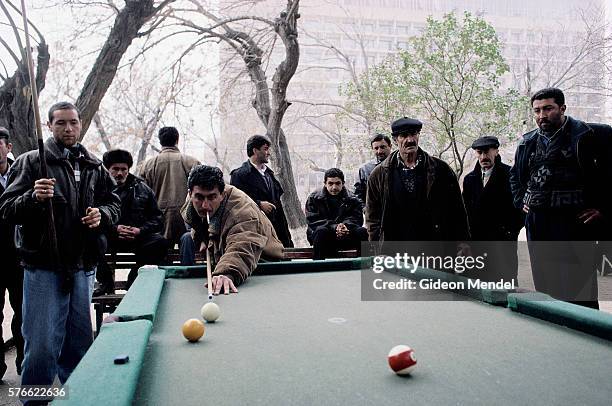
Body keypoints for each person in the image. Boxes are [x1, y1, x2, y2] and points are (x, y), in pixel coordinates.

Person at [0, 102, 120, 397]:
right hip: (42, 268)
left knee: (78, 347)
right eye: (61, 123)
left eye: (74, 123)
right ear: (50, 127)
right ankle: (35, 402)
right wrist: (33, 197)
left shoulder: (93, 165)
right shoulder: (31, 163)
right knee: (40, 348)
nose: (69, 129)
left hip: (82, 267)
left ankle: (77, 400)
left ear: (80, 124)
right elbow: (7, 209)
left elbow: (114, 203)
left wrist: (101, 215)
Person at [510, 87, 612, 308]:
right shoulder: (527, 142)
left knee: (580, 292)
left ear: (562, 108)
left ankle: (586, 337)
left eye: (548, 108)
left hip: (573, 223)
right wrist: (522, 201)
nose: (541, 115)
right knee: (547, 290)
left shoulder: (591, 135)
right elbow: (515, 176)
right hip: (538, 224)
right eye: (536, 110)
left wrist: (603, 208)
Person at [182, 165, 283, 294]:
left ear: (222, 195)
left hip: (262, 265)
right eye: (200, 197)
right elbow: (200, 222)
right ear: (190, 194)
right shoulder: (193, 201)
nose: (205, 205)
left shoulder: (243, 211)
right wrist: (202, 238)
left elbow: (242, 244)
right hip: (228, 258)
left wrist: (226, 272)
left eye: (212, 197)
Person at [366, 117, 469, 242]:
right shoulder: (379, 174)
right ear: (395, 139)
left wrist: (463, 243)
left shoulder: (440, 169)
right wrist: (376, 249)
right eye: (404, 135)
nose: (410, 140)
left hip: (434, 245)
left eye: (414, 134)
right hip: (395, 248)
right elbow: (372, 219)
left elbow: (457, 210)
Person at [97, 149, 168, 293]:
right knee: (92, 240)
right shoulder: (98, 188)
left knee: (159, 242)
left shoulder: (143, 189)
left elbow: (158, 219)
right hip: (110, 237)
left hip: (137, 238)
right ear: (107, 169)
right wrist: (114, 229)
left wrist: (140, 230)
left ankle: (134, 280)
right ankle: (105, 283)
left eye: (124, 169)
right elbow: (92, 218)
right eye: (115, 169)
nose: (119, 173)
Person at [462, 136, 524, 283]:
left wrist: (509, 231)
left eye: (487, 152)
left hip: (502, 244)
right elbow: (465, 212)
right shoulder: (470, 179)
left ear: (496, 151)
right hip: (477, 245)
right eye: (479, 152)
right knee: (478, 286)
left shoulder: (511, 176)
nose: (484, 157)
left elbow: (521, 208)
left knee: (503, 285)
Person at [138, 126, 200, 246]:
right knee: (187, 253)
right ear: (177, 140)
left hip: (159, 221)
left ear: (160, 141)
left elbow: (142, 198)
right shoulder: (191, 162)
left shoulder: (148, 165)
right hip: (186, 219)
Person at [230, 134, 294, 247]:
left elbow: (279, 209)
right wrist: (259, 204)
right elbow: (236, 203)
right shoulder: (239, 175)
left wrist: (287, 240)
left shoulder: (270, 175)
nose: (268, 153)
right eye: (265, 149)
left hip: (278, 233)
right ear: (255, 150)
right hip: (256, 233)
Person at [0, 127, 24, 378]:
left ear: (8, 148)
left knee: (23, 313)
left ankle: (24, 364)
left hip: (19, 257)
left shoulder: (21, 174)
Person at [306, 168, 368, 260]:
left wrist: (345, 226)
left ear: (343, 183)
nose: (334, 187)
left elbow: (357, 219)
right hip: (324, 235)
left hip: (346, 233)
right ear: (325, 183)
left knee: (362, 232)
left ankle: (364, 266)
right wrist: (335, 227)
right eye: (330, 183)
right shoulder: (314, 198)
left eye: (338, 183)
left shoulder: (353, 198)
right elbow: (313, 221)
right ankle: (318, 268)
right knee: (320, 231)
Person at [354, 133, 392, 205]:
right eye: (376, 148)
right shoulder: (364, 170)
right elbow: (358, 195)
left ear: (390, 146)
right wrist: (365, 209)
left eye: (383, 147)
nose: (379, 151)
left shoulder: (400, 166)